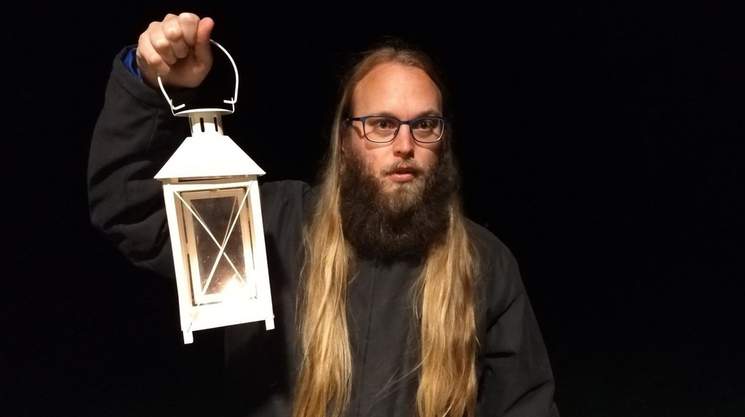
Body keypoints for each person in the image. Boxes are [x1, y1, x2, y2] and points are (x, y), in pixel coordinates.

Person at [88, 12, 559, 417]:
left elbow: (527, 406)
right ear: (344, 139)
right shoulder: (272, 225)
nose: (404, 144)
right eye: (381, 124)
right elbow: (131, 209)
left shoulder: (486, 263)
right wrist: (149, 82)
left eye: (425, 125)